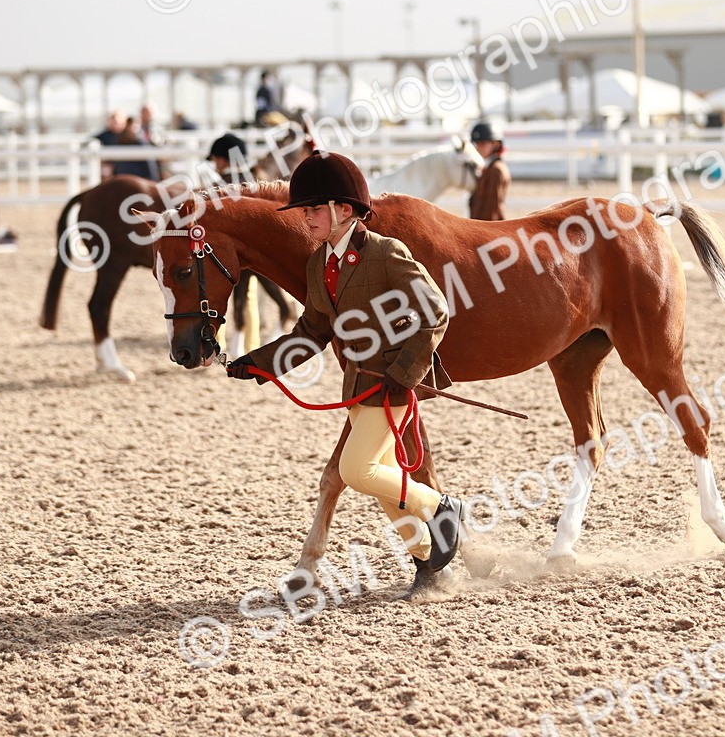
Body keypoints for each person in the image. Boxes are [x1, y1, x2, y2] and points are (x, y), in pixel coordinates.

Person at [226, 150, 468, 583]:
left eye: (313, 209)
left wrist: (404, 374)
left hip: (392, 384)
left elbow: (436, 312)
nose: (306, 218)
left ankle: (441, 508)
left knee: (357, 470)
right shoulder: (319, 265)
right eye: (303, 209)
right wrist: (258, 363)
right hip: (357, 387)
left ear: (344, 210)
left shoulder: (386, 252)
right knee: (383, 485)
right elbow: (311, 334)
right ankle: (430, 563)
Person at [203, 132, 296, 353]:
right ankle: (239, 346)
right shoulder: (248, 180)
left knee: (251, 297)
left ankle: (275, 327)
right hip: (243, 251)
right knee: (242, 297)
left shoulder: (231, 184)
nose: (215, 164)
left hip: (255, 250)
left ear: (225, 159)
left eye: (216, 159)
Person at [467, 121, 510, 221]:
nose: (478, 147)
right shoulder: (489, 167)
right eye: (477, 144)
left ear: (496, 144)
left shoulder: (496, 170)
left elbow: (492, 207)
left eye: (482, 143)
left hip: (487, 229)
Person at [91, 110, 126, 179]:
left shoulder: (128, 135)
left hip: (124, 168)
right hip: (108, 168)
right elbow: (90, 142)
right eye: (113, 120)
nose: (115, 123)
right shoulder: (104, 135)